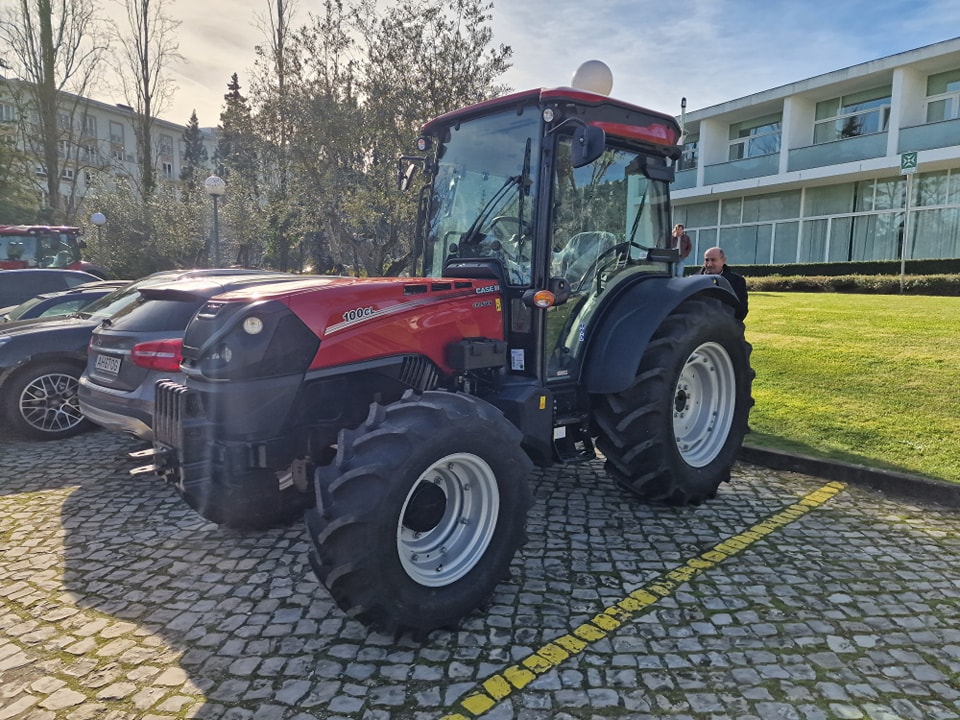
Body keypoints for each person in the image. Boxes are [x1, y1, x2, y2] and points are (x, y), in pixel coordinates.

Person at [701, 246, 748, 319]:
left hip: (724, 325)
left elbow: (741, 310)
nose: (709, 264)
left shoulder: (737, 281)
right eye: (707, 260)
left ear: (723, 260)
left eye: (713, 260)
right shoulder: (694, 279)